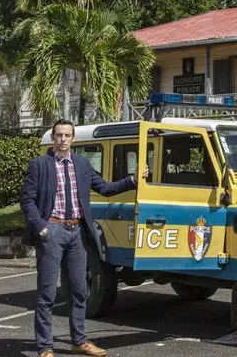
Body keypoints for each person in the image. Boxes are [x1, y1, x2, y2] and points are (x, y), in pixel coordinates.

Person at [20, 119, 148, 357]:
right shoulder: (39, 165)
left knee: (79, 291)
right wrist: (41, 227)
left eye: (67, 135)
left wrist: (132, 180)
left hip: (78, 233)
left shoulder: (82, 164)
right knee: (47, 293)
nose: (63, 139)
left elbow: (106, 188)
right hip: (52, 231)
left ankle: (79, 341)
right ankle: (45, 347)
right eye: (59, 135)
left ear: (73, 139)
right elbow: (27, 200)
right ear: (53, 138)